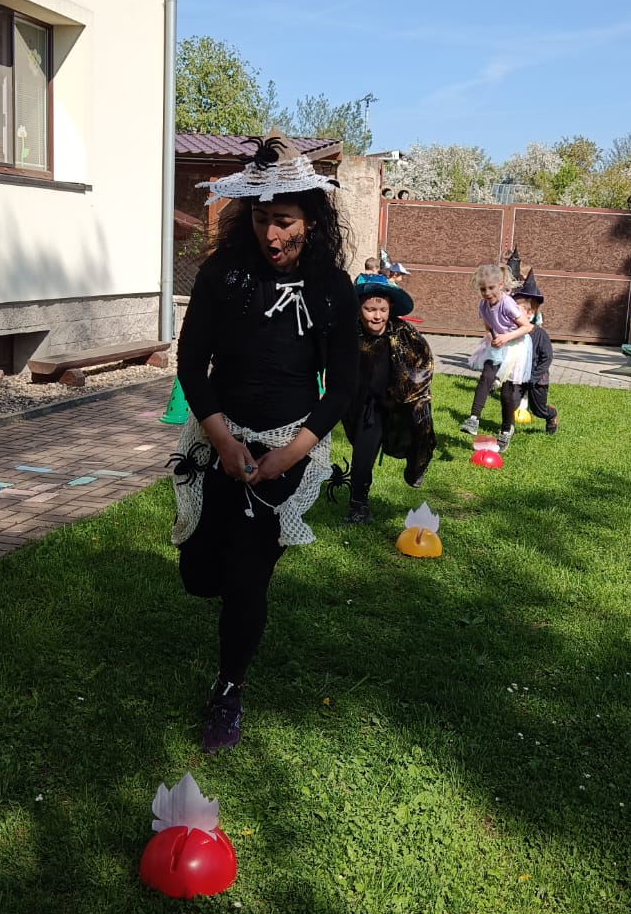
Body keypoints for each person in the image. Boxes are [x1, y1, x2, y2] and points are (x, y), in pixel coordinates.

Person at [172, 136, 358, 752]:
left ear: (311, 220)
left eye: (283, 221)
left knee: (248, 578)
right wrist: (223, 440)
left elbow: (343, 386)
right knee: (201, 574)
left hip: (285, 448)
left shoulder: (332, 287)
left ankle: (229, 689)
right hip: (218, 439)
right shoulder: (223, 274)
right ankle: (227, 580)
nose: (271, 235)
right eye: (259, 219)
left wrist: (290, 453)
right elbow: (191, 363)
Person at [341, 281, 436, 524]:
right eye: (370, 310)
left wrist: (412, 394)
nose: (377, 316)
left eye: (382, 310)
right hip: (368, 407)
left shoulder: (403, 333)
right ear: (359, 309)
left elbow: (424, 362)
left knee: (419, 438)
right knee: (362, 455)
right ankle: (359, 506)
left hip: (401, 405)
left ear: (390, 308)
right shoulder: (350, 332)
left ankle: (415, 469)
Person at [459, 262, 533, 450]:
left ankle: (506, 430)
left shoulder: (507, 304)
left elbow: (527, 327)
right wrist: (492, 338)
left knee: (507, 394)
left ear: (500, 284)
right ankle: (473, 419)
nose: (487, 293)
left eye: (491, 288)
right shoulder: (483, 305)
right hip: (498, 344)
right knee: (486, 377)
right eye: (483, 289)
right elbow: (488, 327)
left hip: (515, 346)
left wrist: (506, 337)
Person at [509, 271, 559, 434]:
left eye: (517, 312)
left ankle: (551, 415)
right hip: (518, 377)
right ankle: (507, 430)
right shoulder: (514, 331)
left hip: (537, 379)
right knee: (510, 403)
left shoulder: (540, 334)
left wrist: (535, 376)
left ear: (530, 313)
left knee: (538, 410)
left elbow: (547, 357)